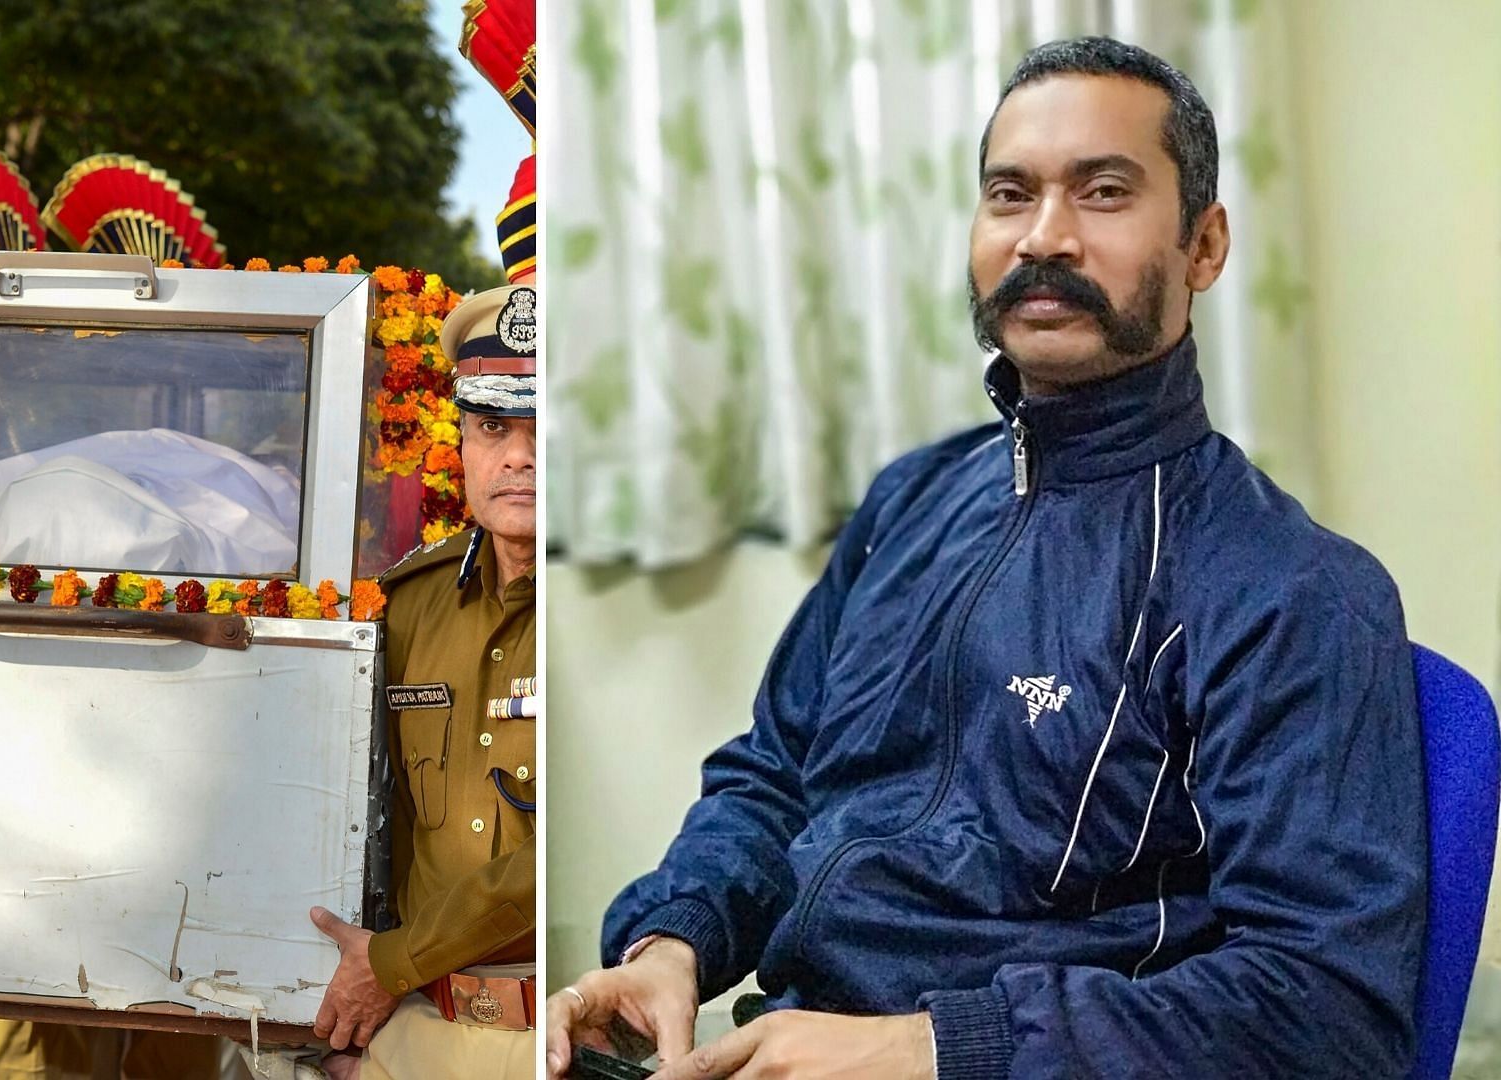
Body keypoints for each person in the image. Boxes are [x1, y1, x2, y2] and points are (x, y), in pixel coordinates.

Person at [548, 36, 1426, 1080]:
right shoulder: (910, 501)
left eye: (1104, 191)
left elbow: (1325, 1009)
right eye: (1009, 194)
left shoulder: (1290, 589)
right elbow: (775, 773)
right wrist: (677, 942)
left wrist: (939, 1049)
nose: (1043, 237)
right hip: (779, 1037)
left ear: (1205, 244)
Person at [307, 280, 538, 1080]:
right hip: (416, 1032)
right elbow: (366, 819)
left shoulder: (625, 619)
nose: (519, 456)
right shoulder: (410, 604)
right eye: (493, 426)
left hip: (569, 1035)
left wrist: (390, 965)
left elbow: (568, 858)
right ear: (464, 443)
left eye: (550, 426)